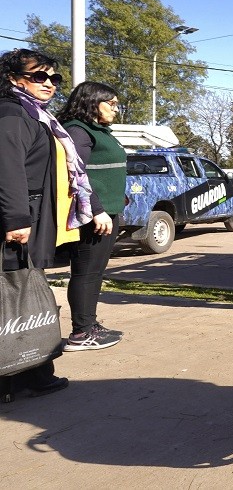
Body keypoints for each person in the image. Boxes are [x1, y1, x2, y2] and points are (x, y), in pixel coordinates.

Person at [0, 49, 84, 399]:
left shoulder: (34, 114)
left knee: (25, 293)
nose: (49, 84)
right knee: (13, 296)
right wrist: (17, 218)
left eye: (54, 78)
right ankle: (15, 375)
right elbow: (8, 169)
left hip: (30, 211)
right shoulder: (12, 114)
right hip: (19, 215)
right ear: (14, 79)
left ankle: (32, 370)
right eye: (39, 76)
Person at [57, 81, 127, 351]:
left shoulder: (99, 130)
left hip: (108, 211)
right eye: (111, 103)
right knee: (86, 272)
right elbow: (78, 174)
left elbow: (104, 170)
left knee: (96, 272)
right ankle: (81, 333)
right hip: (94, 216)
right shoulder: (78, 130)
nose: (115, 109)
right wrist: (97, 210)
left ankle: (90, 324)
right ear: (91, 101)